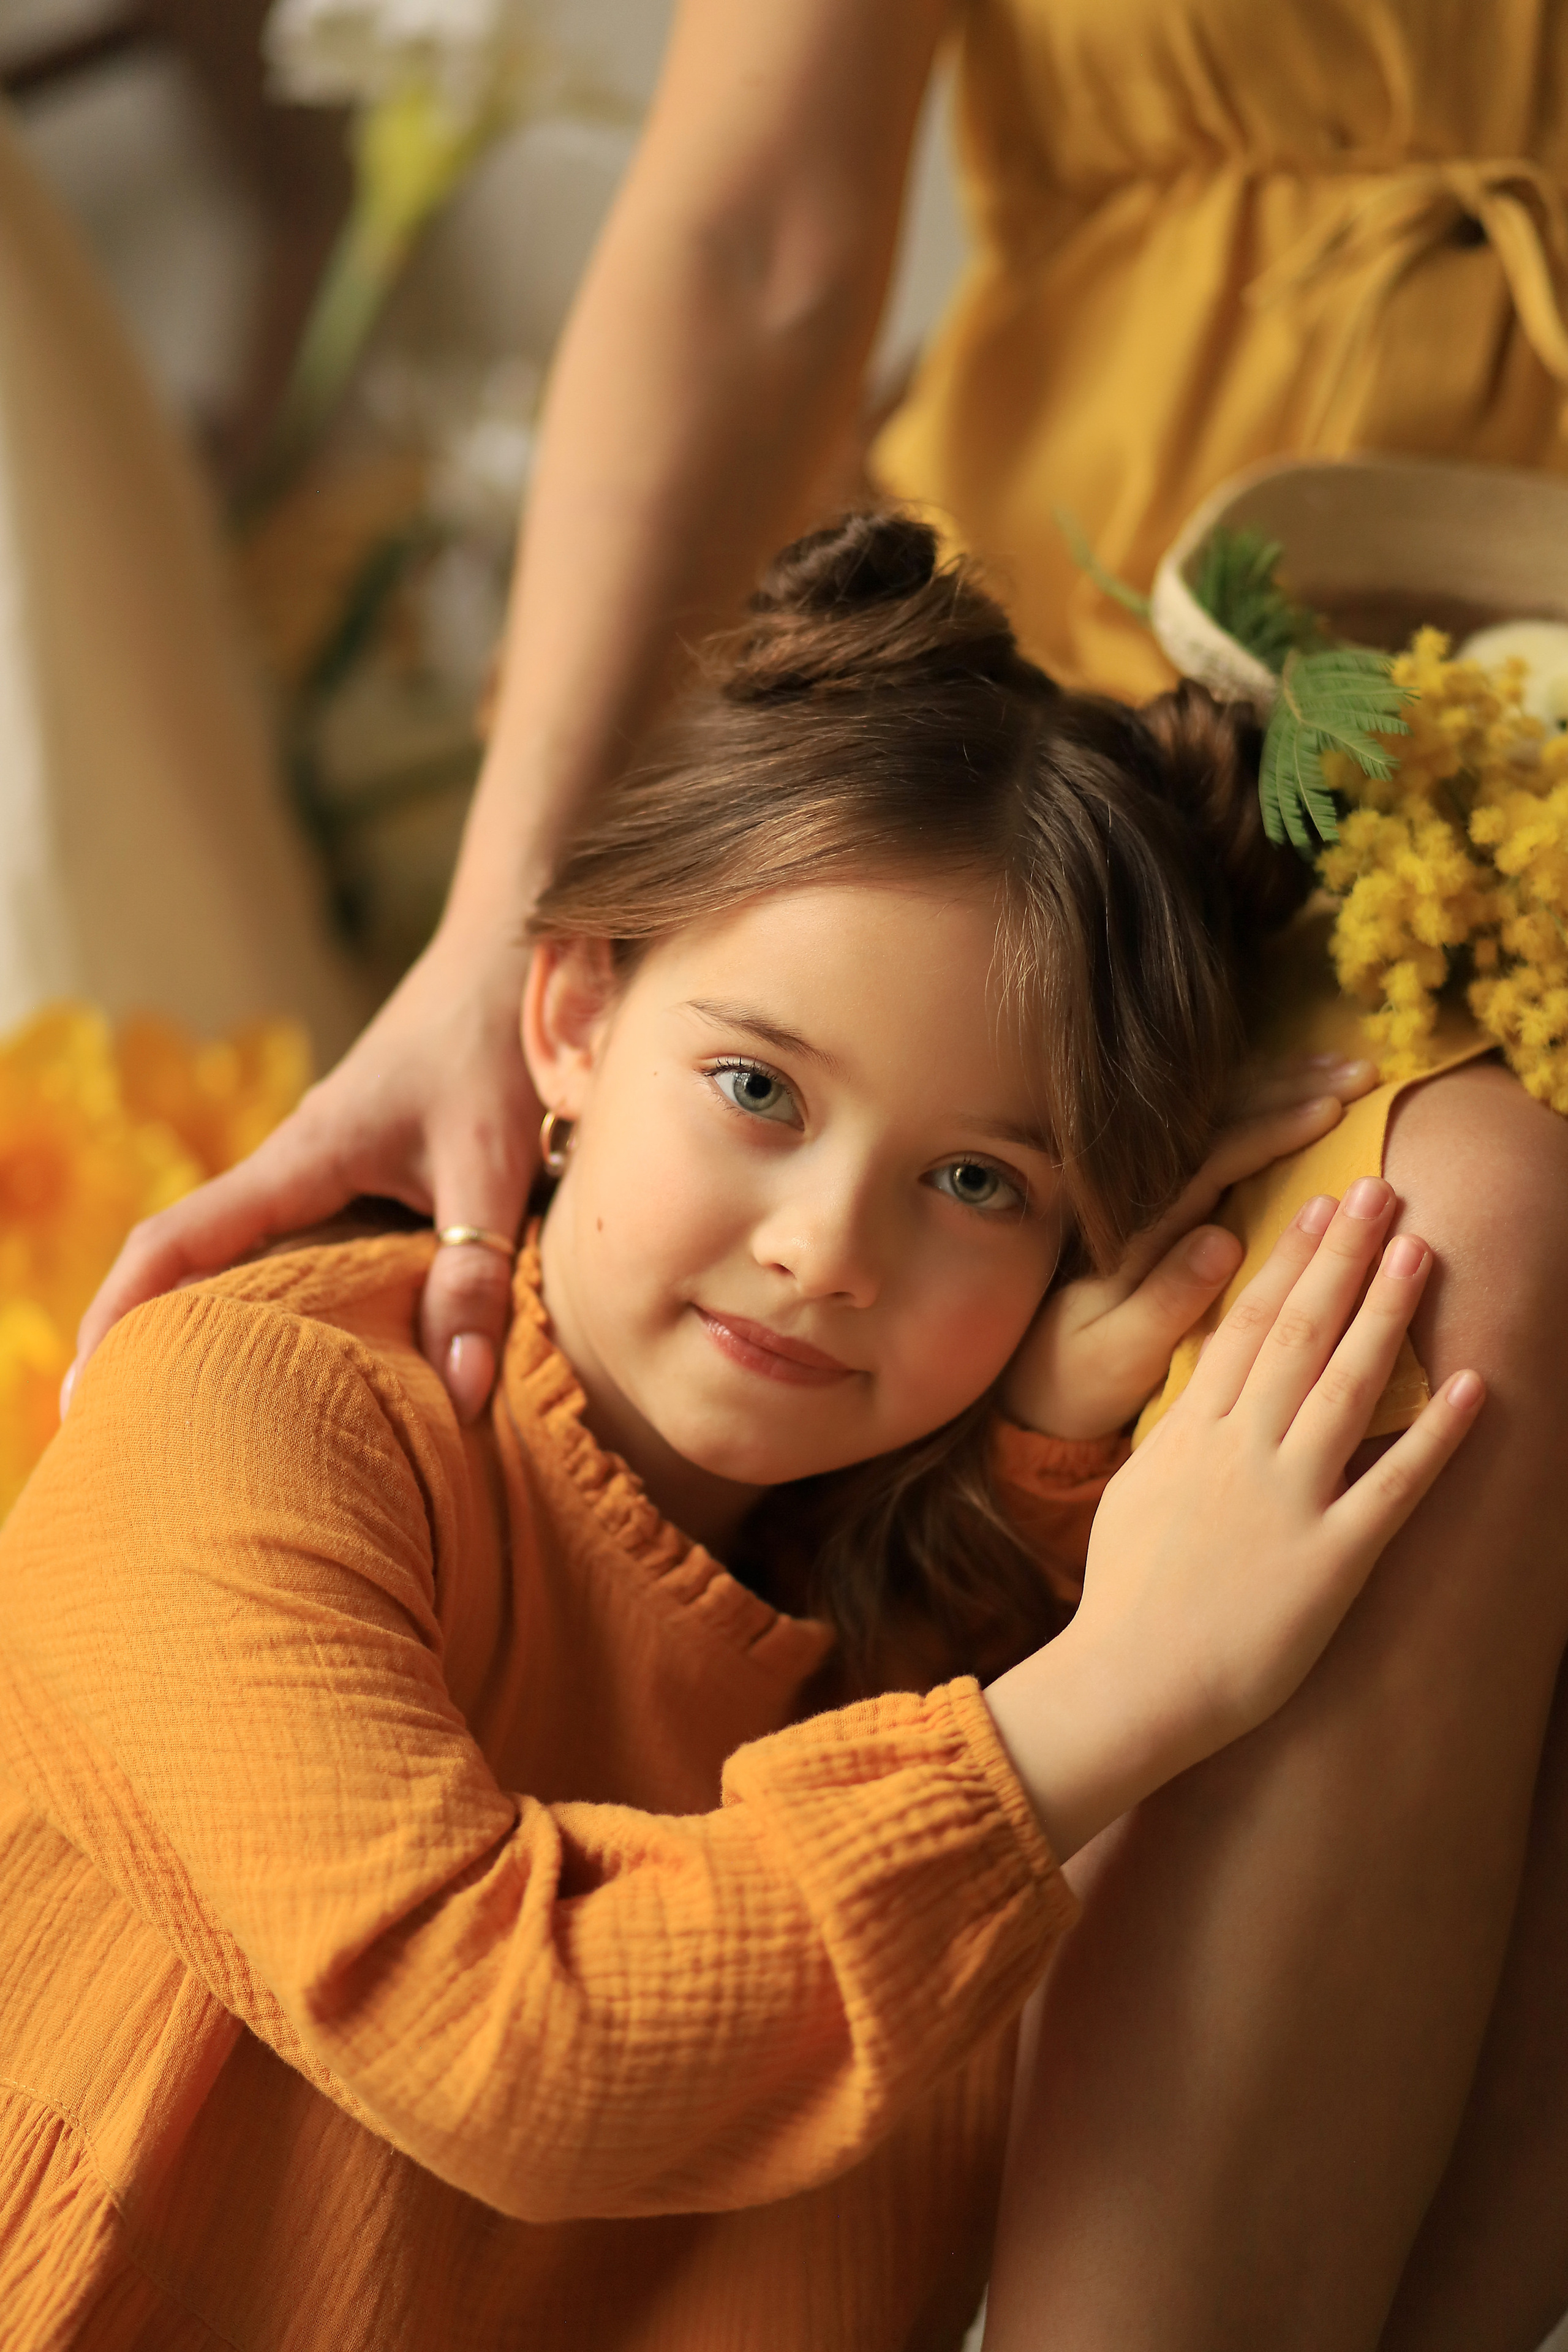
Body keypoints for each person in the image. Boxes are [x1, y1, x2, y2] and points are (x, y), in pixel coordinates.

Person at [64, 6, 1568, 2345]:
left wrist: (1069, 1454)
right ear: (575, 1018)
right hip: (1161, 601)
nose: (821, 1244)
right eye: (758, 1092)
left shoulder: (889, 1560)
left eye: (984, 1184)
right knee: (1460, 1258)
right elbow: (522, 2040)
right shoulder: (227, 1427)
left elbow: (899, 1598)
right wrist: (1119, 1693)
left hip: (1384, 821)